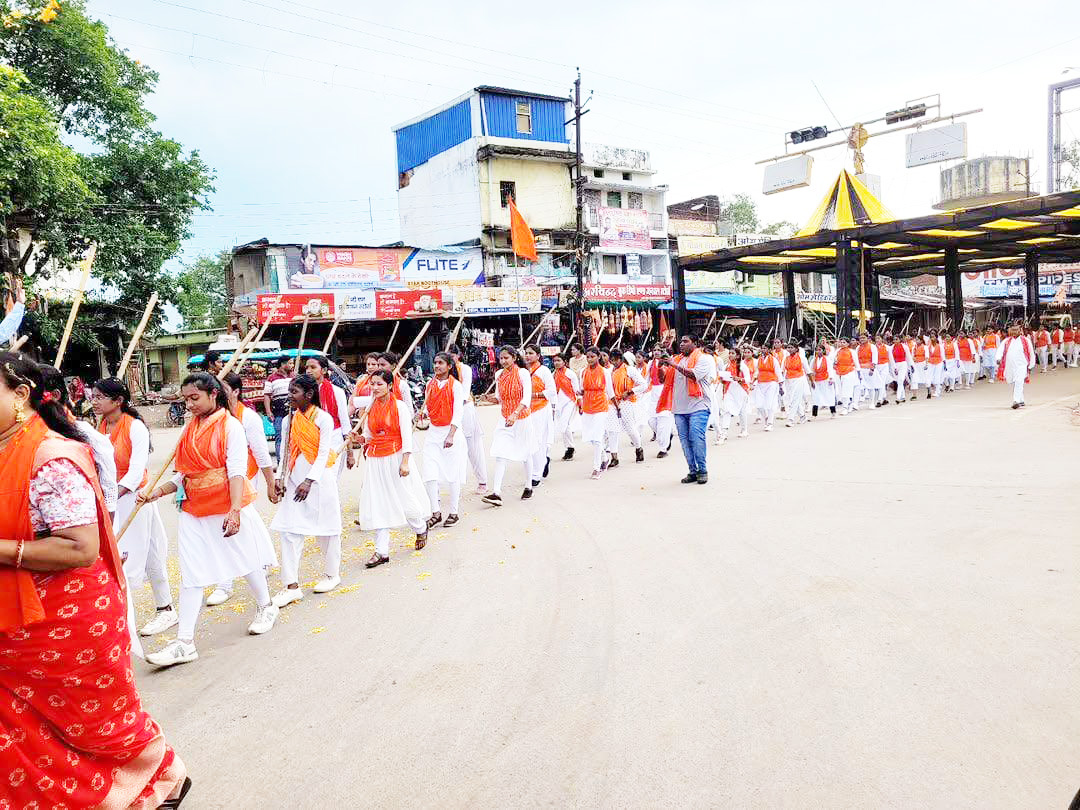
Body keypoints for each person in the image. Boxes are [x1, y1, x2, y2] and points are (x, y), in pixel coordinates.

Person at [0, 353, 190, 807]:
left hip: (61, 618)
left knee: (92, 725)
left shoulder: (51, 455)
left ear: (22, 397)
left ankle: (159, 780)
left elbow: (80, 547)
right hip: (17, 617)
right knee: (23, 728)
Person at [141, 372, 280, 667]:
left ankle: (266, 606)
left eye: (194, 398)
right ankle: (184, 642)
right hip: (193, 509)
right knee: (191, 573)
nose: (189, 404)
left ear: (213, 395)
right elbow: (184, 474)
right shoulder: (190, 428)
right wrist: (157, 493)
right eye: (186, 399)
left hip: (227, 505)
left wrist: (234, 510)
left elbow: (237, 470)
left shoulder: (232, 426)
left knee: (246, 560)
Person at [92, 377, 177, 638]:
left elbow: (137, 470)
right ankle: (166, 608)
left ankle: (122, 625)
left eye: (98, 397)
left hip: (133, 498)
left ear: (117, 401)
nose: (93, 401)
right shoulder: (101, 424)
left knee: (126, 559)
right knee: (150, 554)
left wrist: (112, 495)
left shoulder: (136, 427)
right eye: (92, 396)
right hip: (112, 498)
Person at [205, 371, 280, 608]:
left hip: (245, 478)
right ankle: (234, 577)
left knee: (238, 527)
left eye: (223, 389)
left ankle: (234, 579)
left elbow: (261, 453)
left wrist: (270, 483)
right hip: (217, 483)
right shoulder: (213, 417)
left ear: (236, 391)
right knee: (228, 529)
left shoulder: (248, 418)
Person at [270, 374, 344, 604]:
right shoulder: (288, 420)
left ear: (309, 395)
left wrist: (309, 481)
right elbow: (286, 452)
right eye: (289, 392)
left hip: (319, 482)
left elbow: (323, 454)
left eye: (294, 392)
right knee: (289, 531)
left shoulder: (323, 418)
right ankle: (291, 585)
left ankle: (332, 575)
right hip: (294, 483)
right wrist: (280, 477)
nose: (288, 396)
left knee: (327, 532)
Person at [354, 370, 430, 567]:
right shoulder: (370, 407)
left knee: (403, 497)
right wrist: (358, 439)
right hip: (376, 459)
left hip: (396, 457)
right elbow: (369, 435)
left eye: (379, 384)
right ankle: (382, 551)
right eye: (373, 384)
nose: (375, 388)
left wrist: (405, 462)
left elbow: (407, 436)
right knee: (379, 501)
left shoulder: (400, 407)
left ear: (389, 385)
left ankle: (420, 527)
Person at [480, 346, 535, 504]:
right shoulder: (499, 375)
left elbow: (526, 399)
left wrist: (515, 414)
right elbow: (499, 398)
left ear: (514, 358)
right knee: (500, 452)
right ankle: (496, 492)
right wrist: (487, 398)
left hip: (522, 418)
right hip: (505, 419)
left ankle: (529, 485)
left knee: (526, 452)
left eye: (506, 358)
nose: (503, 361)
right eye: (501, 358)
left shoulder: (523, 373)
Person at [421, 352, 467, 528]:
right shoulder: (430, 385)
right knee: (430, 472)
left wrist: (451, 435)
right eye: (435, 363)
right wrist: (423, 414)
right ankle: (435, 512)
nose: (437, 366)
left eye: (441, 363)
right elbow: (428, 406)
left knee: (452, 473)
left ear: (449, 366)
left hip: (451, 434)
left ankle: (453, 512)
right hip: (433, 434)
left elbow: (458, 411)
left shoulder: (456, 386)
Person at [665, 334, 715, 484]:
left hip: (699, 405)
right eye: (681, 341)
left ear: (695, 343)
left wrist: (673, 364)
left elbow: (693, 375)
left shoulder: (704, 359)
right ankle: (692, 471)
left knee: (696, 437)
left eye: (685, 341)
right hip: (679, 408)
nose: (681, 344)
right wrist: (661, 366)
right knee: (685, 441)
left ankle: (703, 470)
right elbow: (663, 380)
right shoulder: (678, 359)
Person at [449, 343, 489, 493]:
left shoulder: (464, 369)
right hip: (449, 414)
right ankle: (454, 484)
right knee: (452, 450)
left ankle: (482, 481)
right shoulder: (443, 372)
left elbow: (464, 394)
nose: (449, 359)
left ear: (458, 356)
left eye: (451, 356)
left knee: (473, 448)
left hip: (465, 411)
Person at [578, 346, 617, 479]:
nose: (589, 359)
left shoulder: (605, 372)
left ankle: (596, 467)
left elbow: (610, 392)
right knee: (591, 437)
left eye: (592, 356)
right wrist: (580, 396)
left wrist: (617, 407)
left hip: (601, 406)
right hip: (588, 406)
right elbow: (582, 389)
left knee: (597, 436)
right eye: (588, 357)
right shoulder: (583, 371)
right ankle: (605, 458)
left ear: (598, 357)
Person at [523, 344, 556, 485]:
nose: (527, 356)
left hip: (541, 409)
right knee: (529, 440)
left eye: (531, 353)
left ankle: (536, 475)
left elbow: (551, 391)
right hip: (526, 410)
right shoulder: (523, 371)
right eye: (526, 353)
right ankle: (542, 462)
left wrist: (534, 395)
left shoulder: (544, 371)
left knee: (538, 441)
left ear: (538, 355)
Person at [609, 351, 645, 463]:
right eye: (612, 360)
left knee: (630, 428)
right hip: (613, 402)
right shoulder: (610, 371)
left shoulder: (630, 370)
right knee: (612, 429)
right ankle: (614, 457)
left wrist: (630, 392)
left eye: (615, 359)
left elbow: (644, 385)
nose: (613, 362)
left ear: (620, 359)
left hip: (627, 402)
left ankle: (638, 448)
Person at [996, 322, 1036, 408]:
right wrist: (998, 358)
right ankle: (1021, 400)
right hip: (1009, 366)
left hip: (1022, 365)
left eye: (1016, 329)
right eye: (1012, 329)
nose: (1014, 331)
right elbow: (1000, 350)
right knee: (1014, 382)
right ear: (1010, 330)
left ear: (1020, 330)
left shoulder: (1026, 340)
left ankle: (1016, 400)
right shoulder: (1006, 341)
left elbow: (1031, 353)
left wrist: (1031, 365)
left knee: (1019, 380)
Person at [716, 345, 752, 440]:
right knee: (726, 410)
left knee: (742, 411)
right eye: (730, 353)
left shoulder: (742, 366)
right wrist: (722, 379)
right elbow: (722, 378)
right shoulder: (726, 366)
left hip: (741, 390)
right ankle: (724, 432)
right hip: (729, 391)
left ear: (738, 356)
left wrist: (739, 379)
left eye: (733, 353)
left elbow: (748, 379)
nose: (730, 355)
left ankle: (744, 430)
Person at [262, 355, 295, 457]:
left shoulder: (294, 377)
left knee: (294, 435)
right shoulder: (271, 378)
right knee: (280, 436)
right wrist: (268, 412)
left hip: (294, 411)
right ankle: (280, 461)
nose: (292, 365)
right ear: (283, 364)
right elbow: (267, 396)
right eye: (290, 363)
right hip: (279, 412)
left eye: (292, 363)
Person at [551, 352, 580, 460]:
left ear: (565, 362)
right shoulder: (553, 374)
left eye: (559, 360)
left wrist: (580, 401)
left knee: (563, 425)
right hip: (558, 403)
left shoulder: (570, 374)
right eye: (555, 361)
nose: (556, 363)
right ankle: (570, 448)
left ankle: (570, 448)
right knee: (565, 425)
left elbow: (576, 389)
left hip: (569, 401)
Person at [648, 353, 676, 457]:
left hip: (668, 397)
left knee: (663, 422)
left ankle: (663, 449)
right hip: (654, 396)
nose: (656, 352)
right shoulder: (651, 364)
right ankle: (668, 435)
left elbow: (663, 379)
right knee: (651, 421)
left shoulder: (673, 367)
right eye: (654, 349)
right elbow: (657, 379)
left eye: (659, 350)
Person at [753, 344, 783, 429]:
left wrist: (781, 385)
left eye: (765, 348)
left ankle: (770, 423)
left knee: (770, 403)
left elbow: (778, 372)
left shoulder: (773, 360)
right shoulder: (759, 360)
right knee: (759, 405)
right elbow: (756, 372)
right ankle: (766, 417)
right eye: (762, 348)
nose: (763, 350)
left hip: (771, 383)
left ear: (769, 349)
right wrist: (753, 382)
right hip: (760, 383)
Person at [782, 341, 811, 426]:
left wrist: (812, 382)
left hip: (799, 379)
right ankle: (802, 417)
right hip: (788, 380)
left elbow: (808, 371)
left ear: (796, 349)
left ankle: (790, 419)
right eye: (788, 348)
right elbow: (782, 370)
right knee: (792, 399)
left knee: (794, 400)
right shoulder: (785, 358)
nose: (790, 349)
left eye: (792, 348)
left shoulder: (802, 358)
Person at [833, 337, 860, 414]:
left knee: (846, 390)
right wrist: (834, 363)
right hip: (839, 372)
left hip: (849, 372)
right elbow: (833, 360)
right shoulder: (837, 351)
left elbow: (856, 363)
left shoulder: (852, 351)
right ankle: (849, 404)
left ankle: (845, 408)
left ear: (848, 344)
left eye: (844, 342)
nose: (842, 344)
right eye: (841, 342)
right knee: (840, 391)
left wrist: (859, 374)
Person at [810, 343, 837, 418]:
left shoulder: (827, 359)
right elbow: (811, 371)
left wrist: (831, 378)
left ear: (823, 350)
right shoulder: (813, 360)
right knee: (815, 397)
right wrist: (812, 381)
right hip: (817, 380)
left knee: (829, 395)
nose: (818, 351)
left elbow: (830, 369)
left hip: (826, 380)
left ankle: (833, 412)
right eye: (816, 350)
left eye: (820, 350)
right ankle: (814, 414)